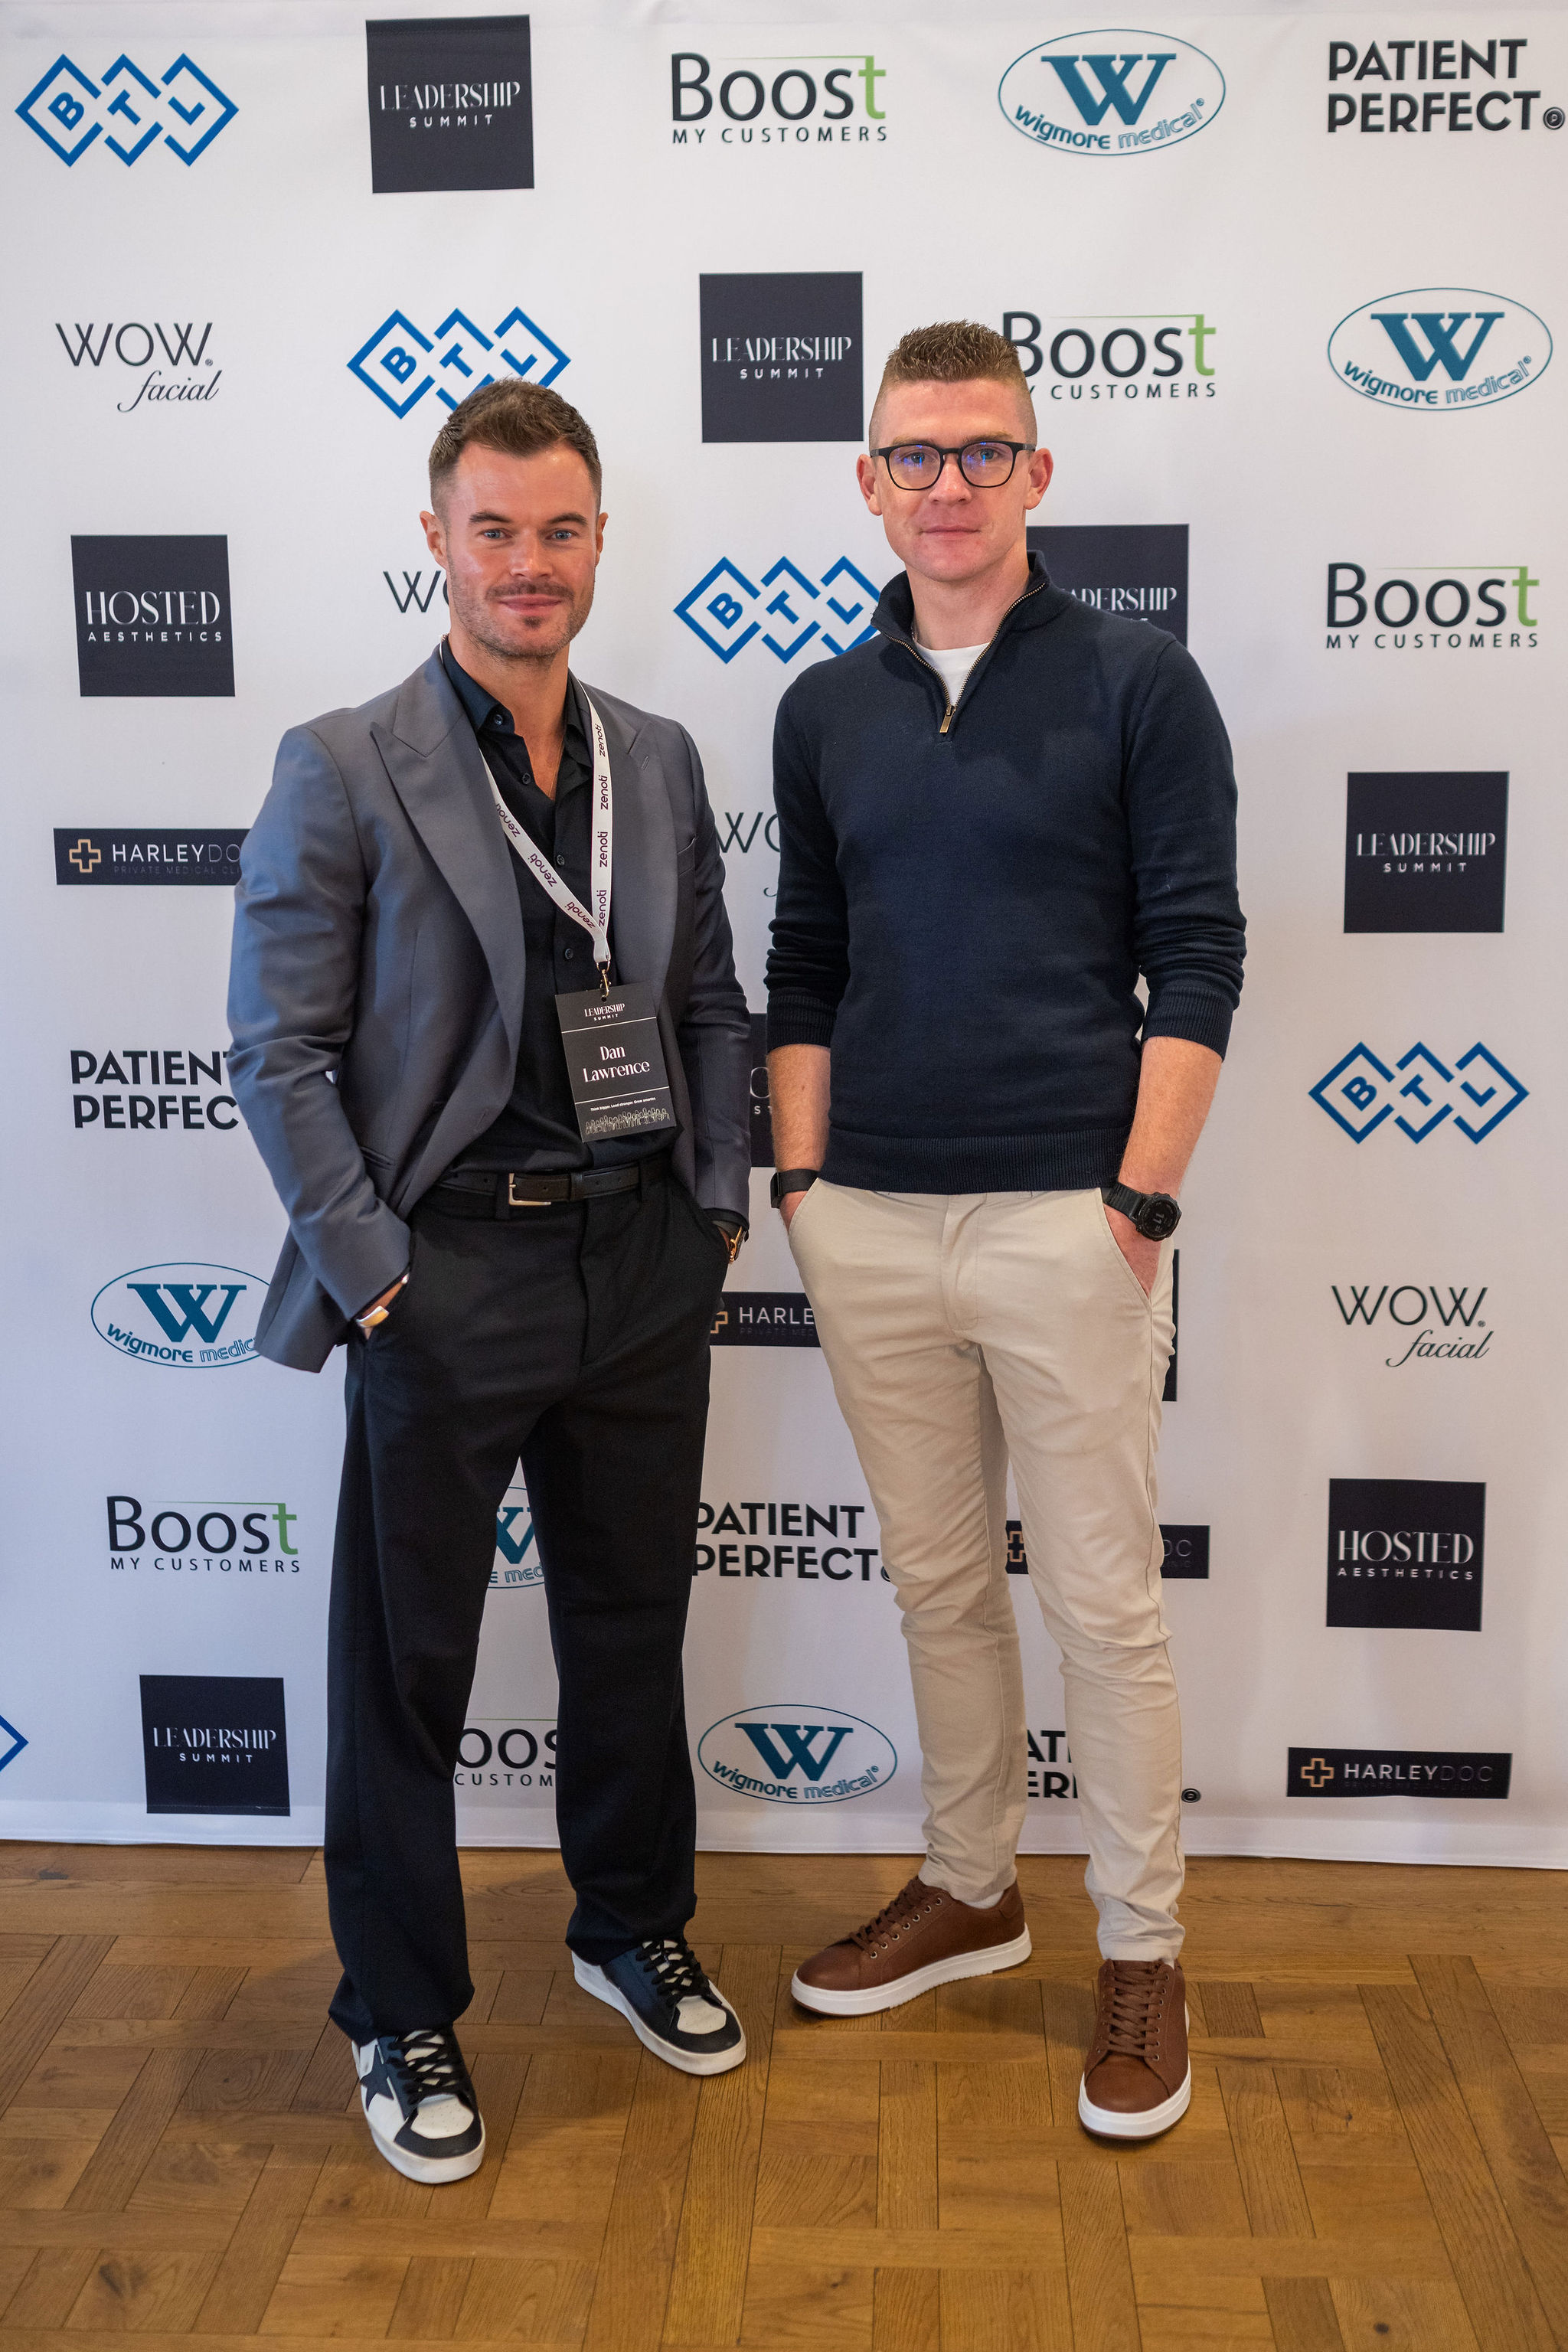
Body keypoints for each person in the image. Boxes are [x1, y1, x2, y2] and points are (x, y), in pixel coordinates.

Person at [228, 379, 753, 2185]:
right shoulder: (344, 762)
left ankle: (630, 1924)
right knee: (405, 1674)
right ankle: (401, 2009)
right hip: (445, 1271)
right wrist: (376, 1275)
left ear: (600, 541)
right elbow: (278, 1053)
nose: (530, 563)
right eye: (496, 530)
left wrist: (713, 1208)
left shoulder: (658, 758)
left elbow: (706, 1000)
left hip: (641, 1266)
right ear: (437, 541)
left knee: (630, 1630)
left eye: (561, 530)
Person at [765, 322, 1245, 2141]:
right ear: (869, 483)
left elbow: (1197, 954)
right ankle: (971, 1887)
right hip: (869, 1220)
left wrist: (1138, 1200)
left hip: (1069, 1217)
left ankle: (1141, 1949)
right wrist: (803, 1192)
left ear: (1036, 473)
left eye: (982, 451)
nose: (947, 483)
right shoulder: (823, 708)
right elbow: (804, 962)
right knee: (938, 1581)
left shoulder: (1139, 683)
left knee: (1102, 1604)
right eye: (915, 454)